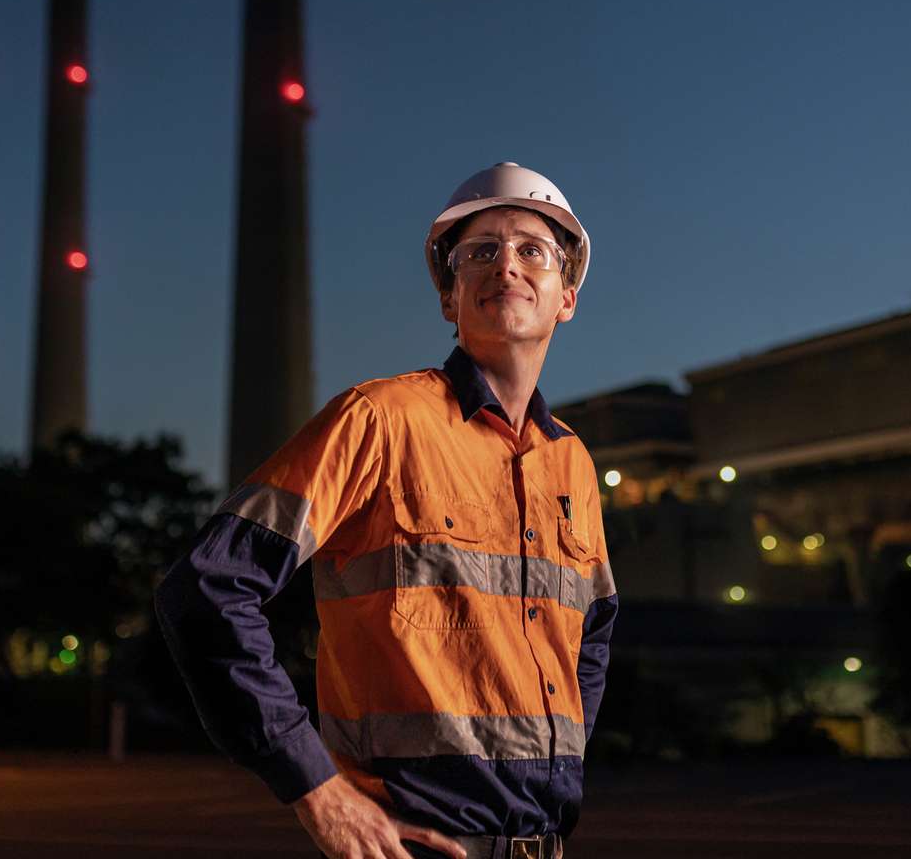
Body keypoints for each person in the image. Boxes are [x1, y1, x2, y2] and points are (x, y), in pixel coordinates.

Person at [157, 162, 618, 859]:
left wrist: (555, 754)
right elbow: (207, 589)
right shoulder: (378, 420)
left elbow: (596, 630)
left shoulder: (571, 462)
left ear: (568, 297)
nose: (508, 266)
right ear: (448, 298)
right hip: (411, 844)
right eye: (481, 252)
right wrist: (315, 788)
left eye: (532, 250)